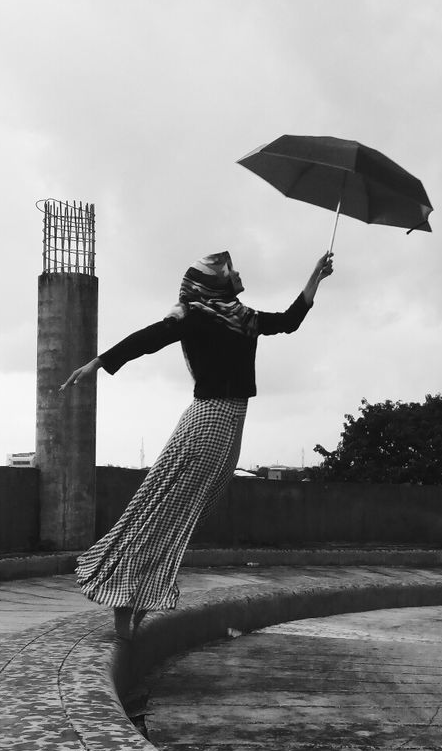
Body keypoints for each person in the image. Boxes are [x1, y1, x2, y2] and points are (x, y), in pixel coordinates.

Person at [61, 249, 333, 638]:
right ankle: (124, 595)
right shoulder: (194, 316)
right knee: (168, 508)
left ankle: (139, 595)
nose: (238, 273)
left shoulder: (244, 319)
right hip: (209, 419)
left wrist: (315, 278)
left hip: (231, 422)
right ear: (214, 282)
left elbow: (289, 321)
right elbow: (149, 339)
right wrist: (100, 362)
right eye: (230, 270)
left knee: (191, 513)